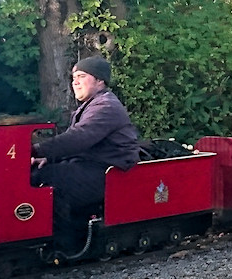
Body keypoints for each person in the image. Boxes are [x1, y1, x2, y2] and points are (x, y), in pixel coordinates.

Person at [30, 56, 140, 254]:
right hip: (90, 166)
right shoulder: (91, 105)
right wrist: (48, 157)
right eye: (73, 78)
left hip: (106, 172)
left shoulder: (106, 107)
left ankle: (62, 247)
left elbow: (79, 137)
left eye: (82, 76)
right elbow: (76, 142)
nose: (75, 82)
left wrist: (36, 150)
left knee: (41, 179)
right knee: (40, 169)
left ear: (100, 80)